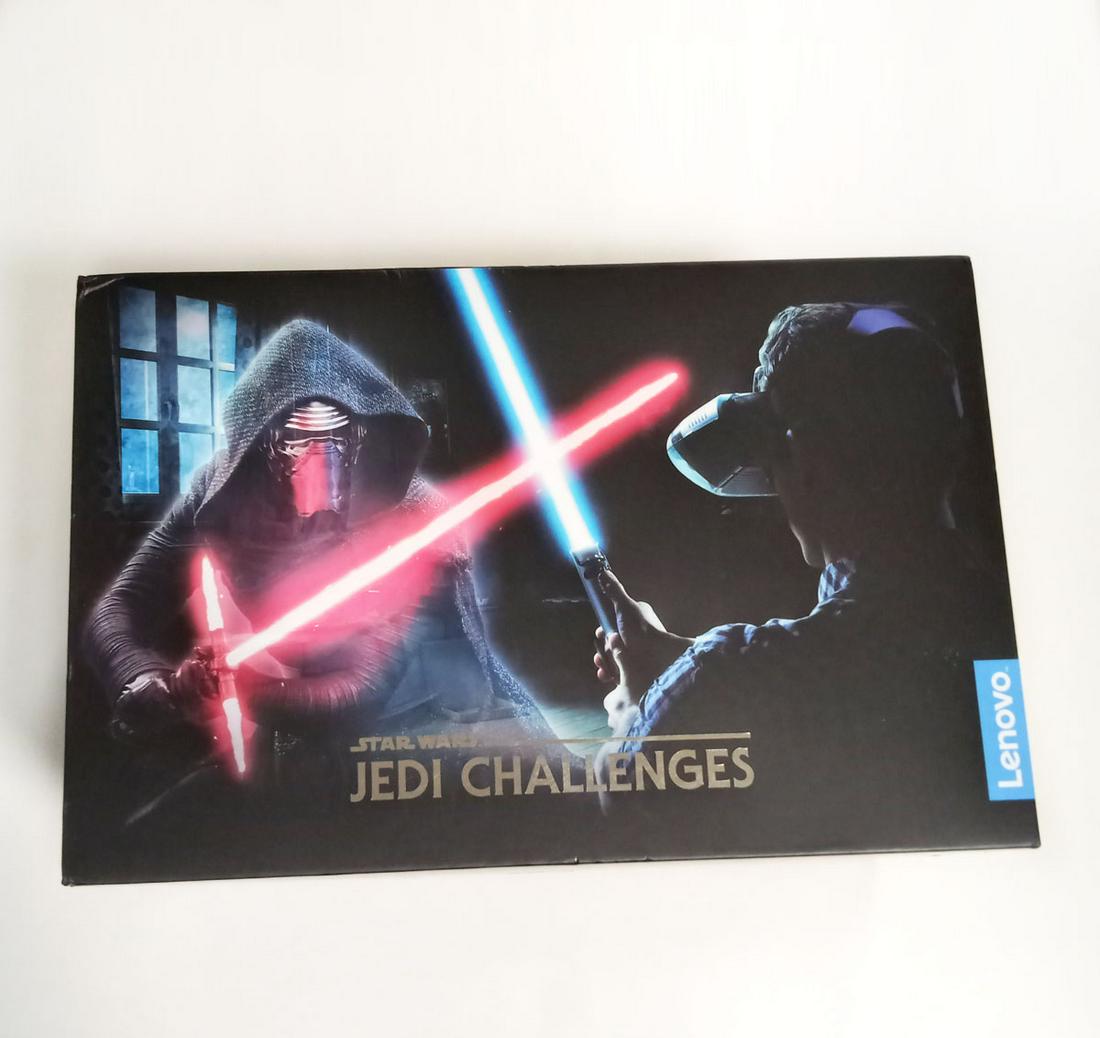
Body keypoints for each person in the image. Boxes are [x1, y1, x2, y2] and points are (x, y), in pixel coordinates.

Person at [591, 302, 1015, 848]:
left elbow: (624, 798)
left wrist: (635, 706)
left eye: (774, 468)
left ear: (808, 460)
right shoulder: (1013, 626)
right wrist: (679, 666)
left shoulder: (722, 675)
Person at [85, 319, 543, 817]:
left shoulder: (412, 517)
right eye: (297, 442)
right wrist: (146, 681)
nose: (319, 467)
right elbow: (121, 604)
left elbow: (364, 687)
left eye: (336, 441)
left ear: (362, 438)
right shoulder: (221, 491)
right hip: (301, 723)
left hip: (434, 726)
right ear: (263, 443)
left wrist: (236, 686)